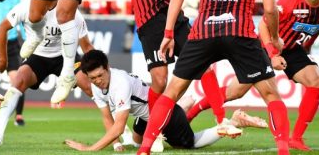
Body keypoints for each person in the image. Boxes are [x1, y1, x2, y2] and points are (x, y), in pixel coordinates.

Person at [136, 0, 290, 155]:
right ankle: (283, 150)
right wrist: (274, 39)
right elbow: (271, 9)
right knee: (270, 94)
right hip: (240, 32)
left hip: (204, 31)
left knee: (172, 92)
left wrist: (168, 33)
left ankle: (144, 149)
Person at [186, 0, 319, 151]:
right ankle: (190, 115)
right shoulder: (289, 3)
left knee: (316, 81)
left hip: (291, 49)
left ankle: (296, 138)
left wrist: (305, 48)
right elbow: (264, 25)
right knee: (236, 92)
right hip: (265, 45)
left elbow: (315, 28)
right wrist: (273, 53)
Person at [65, 50, 225, 152]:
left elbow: (119, 126)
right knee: (135, 143)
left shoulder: (120, 84)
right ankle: (182, 107)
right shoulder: (96, 87)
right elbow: (107, 117)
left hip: (164, 116)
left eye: (100, 75)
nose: (98, 81)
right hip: (144, 116)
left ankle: (232, 123)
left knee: (188, 144)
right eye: (93, 78)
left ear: (107, 67)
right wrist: (116, 144)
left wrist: (90, 149)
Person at [0, 0, 93, 146]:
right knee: (18, 81)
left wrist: (101, 67)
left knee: (90, 86)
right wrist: (3, 60)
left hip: (65, 56)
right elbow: (2, 27)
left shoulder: (71, 11)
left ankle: (121, 132)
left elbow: (86, 46)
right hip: (37, 55)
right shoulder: (26, 6)